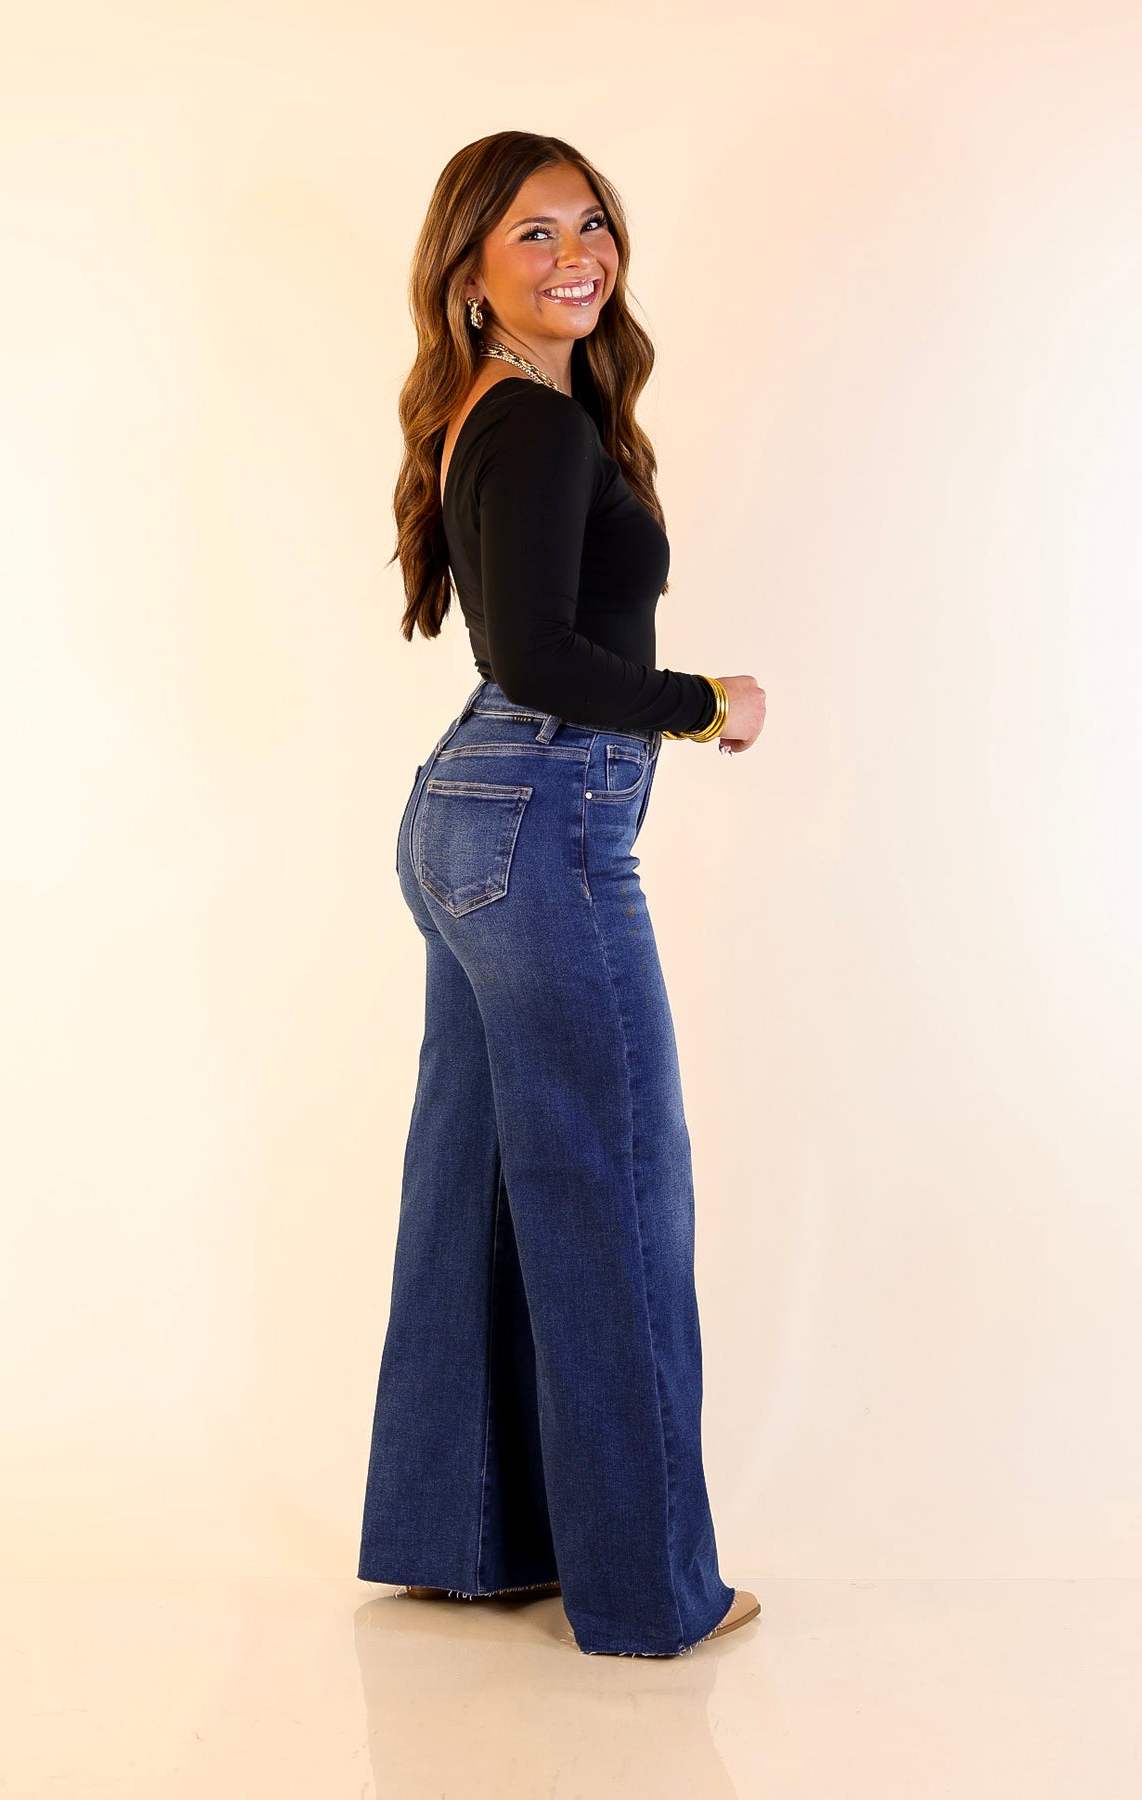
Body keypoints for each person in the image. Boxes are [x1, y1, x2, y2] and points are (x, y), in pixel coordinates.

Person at [357, 131, 767, 1658]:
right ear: (469, 271)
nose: (576, 253)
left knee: (474, 1183)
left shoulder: (501, 409)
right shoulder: (531, 424)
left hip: (474, 817)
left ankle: (460, 1542)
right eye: (533, 232)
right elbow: (531, 657)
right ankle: (650, 1591)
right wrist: (704, 703)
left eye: (591, 223)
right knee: (616, 1186)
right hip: (542, 819)